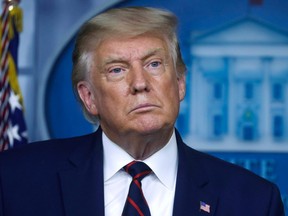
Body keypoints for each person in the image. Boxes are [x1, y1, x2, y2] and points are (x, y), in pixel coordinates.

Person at [0, 6, 285, 216]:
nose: (140, 83)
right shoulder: (15, 180)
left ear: (179, 83)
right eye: (117, 70)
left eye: (154, 64)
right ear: (89, 97)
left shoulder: (254, 201)